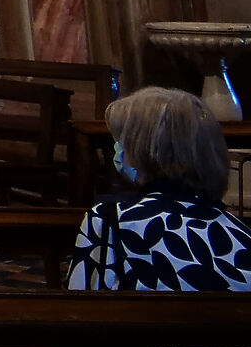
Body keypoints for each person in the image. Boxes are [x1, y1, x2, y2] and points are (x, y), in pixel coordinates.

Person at [69, 86, 251, 291]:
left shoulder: (109, 220)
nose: (118, 150)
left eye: (122, 142)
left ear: (143, 151)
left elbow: (79, 307)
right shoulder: (241, 232)